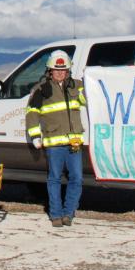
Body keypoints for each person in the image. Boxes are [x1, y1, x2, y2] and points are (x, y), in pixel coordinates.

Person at [25, 50, 87, 228]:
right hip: (54, 144)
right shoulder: (41, 89)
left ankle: (69, 213)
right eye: (56, 70)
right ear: (49, 71)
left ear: (68, 71)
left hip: (74, 143)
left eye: (64, 70)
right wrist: (35, 135)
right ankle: (55, 215)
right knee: (54, 179)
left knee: (77, 178)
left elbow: (90, 100)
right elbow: (32, 114)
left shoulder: (78, 86)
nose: (60, 73)